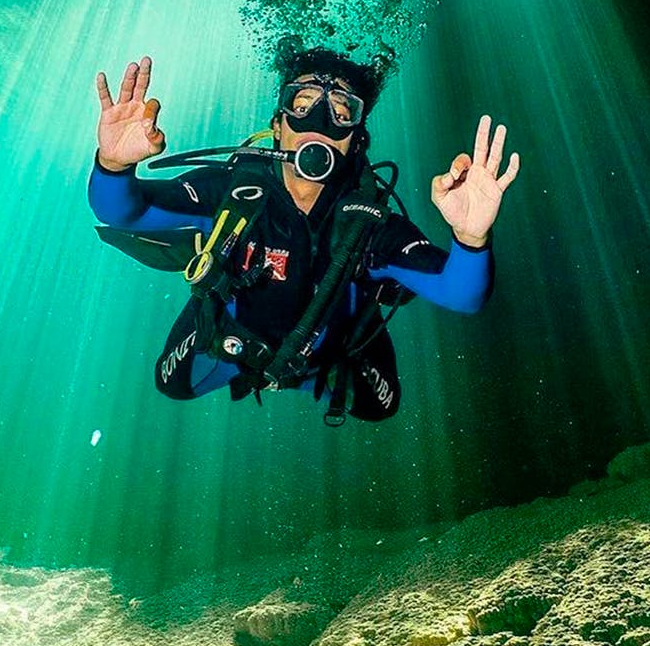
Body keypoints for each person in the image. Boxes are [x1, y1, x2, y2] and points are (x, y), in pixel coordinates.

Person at [88, 49, 519, 424]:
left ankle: (317, 371)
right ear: (278, 124)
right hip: (234, 341)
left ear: (356, 140)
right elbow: (123, 211)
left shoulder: (367, 224)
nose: (319, 120)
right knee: (172, 383)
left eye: (342, 112)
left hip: (326, 352)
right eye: (302, 102)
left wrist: (471, 237)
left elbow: (463, 296)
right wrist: (113, 164)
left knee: (380, 407)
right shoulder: (234, 193)